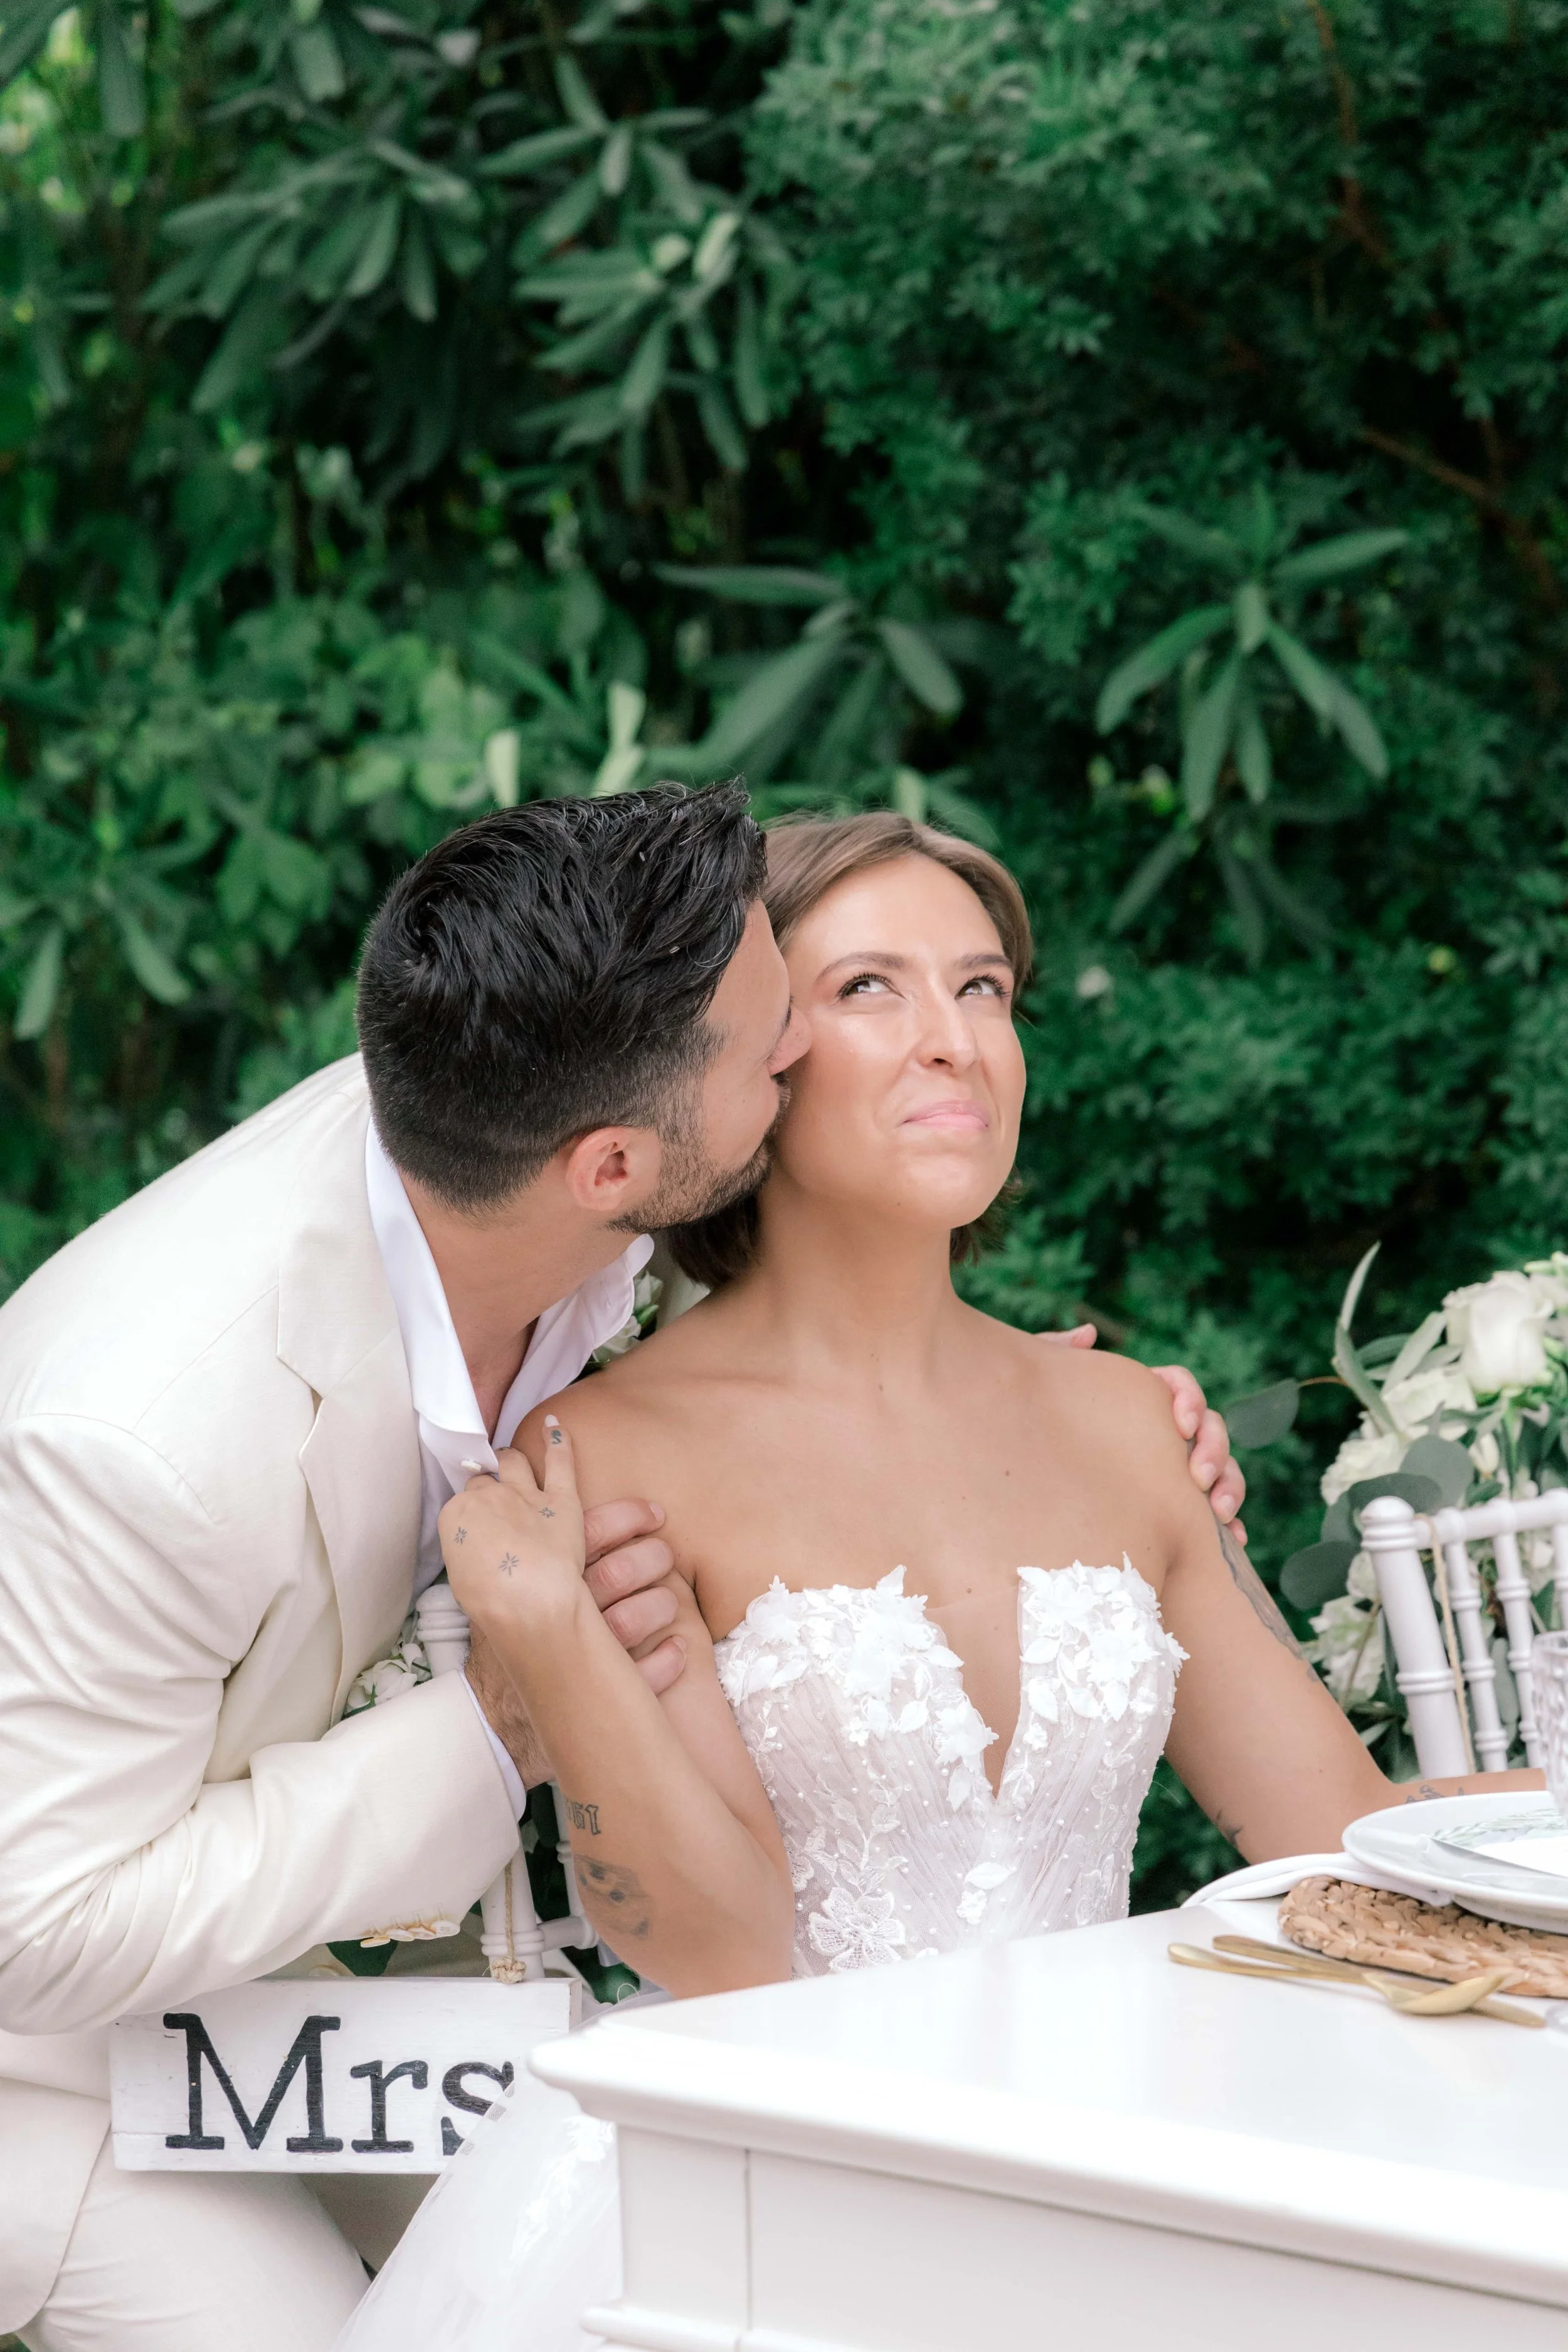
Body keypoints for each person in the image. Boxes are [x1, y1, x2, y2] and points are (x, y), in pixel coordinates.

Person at [0, 788, 1239, 2352]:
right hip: (52, 2076)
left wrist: (1005, 1434)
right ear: (614, 1167)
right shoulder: (146, 1435)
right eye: (778, 1038)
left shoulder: (526, 1112)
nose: (802, 1053)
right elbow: (31, 1934)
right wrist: (505, 1709)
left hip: (372, 2018)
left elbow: (814, 1359)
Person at [341, 811, 1540, 2352]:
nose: (951, 1043)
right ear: (749, 1063)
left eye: (980, 989)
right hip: (763, 2199)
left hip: (1106, 2173)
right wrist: (546, 1629)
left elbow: (1336, 1837)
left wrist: (1533, 1822)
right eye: (868, 992)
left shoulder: (1122, 1425)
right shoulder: (608, 1454)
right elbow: (718, 1958)